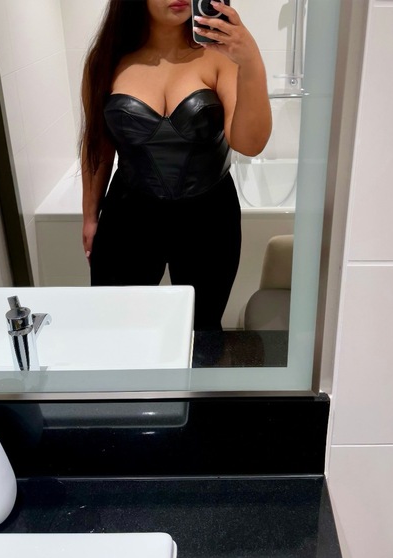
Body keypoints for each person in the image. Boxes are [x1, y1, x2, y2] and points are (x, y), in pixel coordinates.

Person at [80, 0, 271, 330]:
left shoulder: (220, 57)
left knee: (202, 328)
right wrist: (89, 217)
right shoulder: (107, 59)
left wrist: (251, 61)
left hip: (209, 217)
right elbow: (98, 144)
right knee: (118, 325)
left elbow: (249, 144)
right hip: (128, 215)